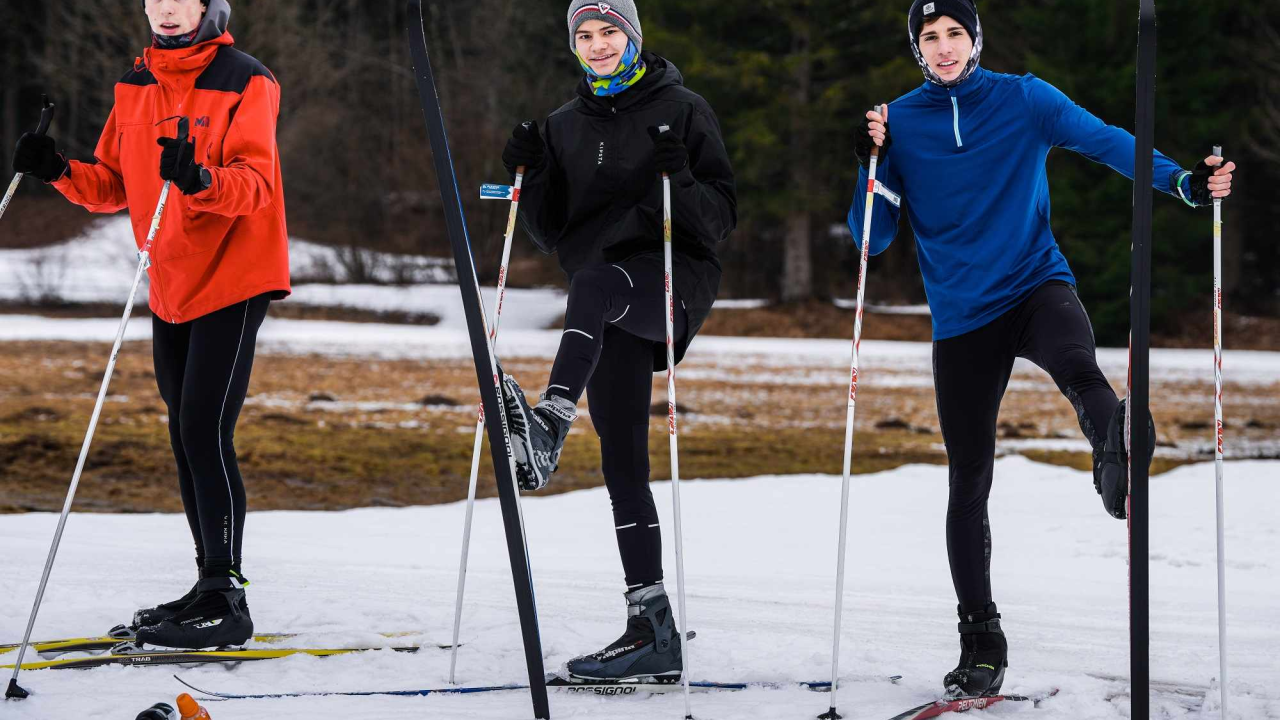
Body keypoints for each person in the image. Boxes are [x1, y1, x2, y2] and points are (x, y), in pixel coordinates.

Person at [847, 0, 1235, 699]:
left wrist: (1181, 183)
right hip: (962, 316)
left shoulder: (1025, 98)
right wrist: (871, 164)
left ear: (975, 38)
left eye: (955, 33)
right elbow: (872, 240)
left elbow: (1108, 140)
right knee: (968, 478)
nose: (943, 47)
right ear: (916, 48)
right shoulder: (897, 123)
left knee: (1079, 366)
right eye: (930, 37)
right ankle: (981, 641)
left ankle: (1115, 445)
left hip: (1034, 283)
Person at [11, 0, 289, 649]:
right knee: (183, 434)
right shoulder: (135, 84)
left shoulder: (246, 79)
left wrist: (198, 178)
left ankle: (227, 598)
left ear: (207, 6)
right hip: (170, 281)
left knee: (203, 428)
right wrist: (57, 168)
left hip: (235, 272)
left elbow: (256, 185)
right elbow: (113, 184)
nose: (165, 9)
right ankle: (207, 584)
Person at [496, 0, 736, 682]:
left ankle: (549, 423)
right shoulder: (564, 124)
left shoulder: (683, 108)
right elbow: (552, 231)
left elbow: (720, 218)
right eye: (585, 35)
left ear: (632, 36)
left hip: (670, 280)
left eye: (609, 32)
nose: (598, 45)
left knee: (595, 282)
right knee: (622, 460)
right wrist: (529, 173)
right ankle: (651, 628)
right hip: (601, 306)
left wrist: (679, 177)